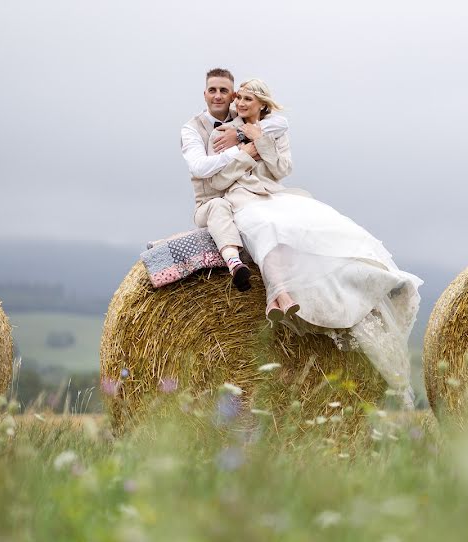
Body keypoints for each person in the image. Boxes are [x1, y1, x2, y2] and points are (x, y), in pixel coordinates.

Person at [206, 79, 422, 406]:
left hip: (274, 195)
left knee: (325, 227)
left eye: (248, 98)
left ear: (262, 104)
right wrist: (246, 149)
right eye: (240, 98)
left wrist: (260, 140)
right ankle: (278, 294)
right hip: (241, 199)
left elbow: (281, 169)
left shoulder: (272, 131)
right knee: (268, 228)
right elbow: (218, 178)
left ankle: (370, 281)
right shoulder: (224, 132)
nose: (241, 103)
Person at [180, 68, 289, 292]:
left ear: (232, 96)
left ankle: (282, 291)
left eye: (224, 91)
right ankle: (234, 263)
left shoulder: (239, 119)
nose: (217, 96)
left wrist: (241, 134)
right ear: (204, 94)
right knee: (219, 206)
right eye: (212, 90)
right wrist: (241, 151)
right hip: (209, 202)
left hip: (242, 196)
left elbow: (280, 123)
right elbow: (200, 168)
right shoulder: (192, 129)